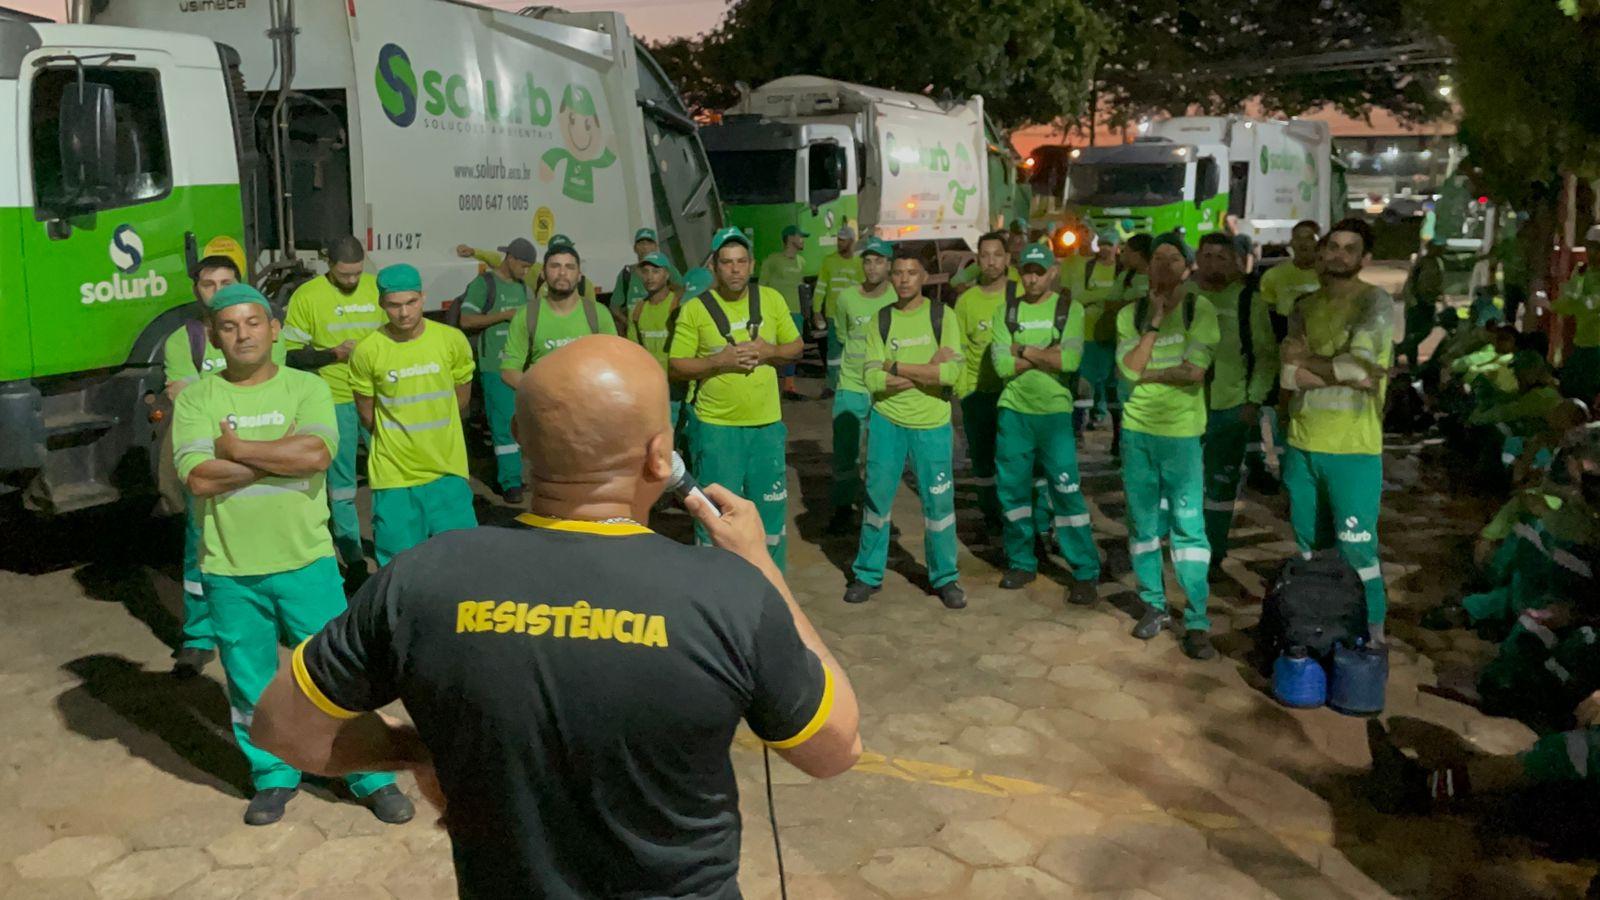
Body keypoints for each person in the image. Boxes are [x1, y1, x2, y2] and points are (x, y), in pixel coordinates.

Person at [250, 335, 860, 897]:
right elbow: (835, 749)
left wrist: (415, 752)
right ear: (659, 457)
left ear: (522, 435)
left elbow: (284, 729)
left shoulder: (421, 577)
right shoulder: (728, 594)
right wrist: (761, 565)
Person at [172, 282, 412, 827]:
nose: (242, 334)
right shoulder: (196, 399)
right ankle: (273, 773)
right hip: (230, 568)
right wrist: (277, 456)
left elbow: (317, 455)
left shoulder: (305, 387)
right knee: (249, 681)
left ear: (274, 329)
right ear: (214, 335)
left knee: (337, 673)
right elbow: (199, 478)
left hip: (306, 561)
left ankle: (367, 773)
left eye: (252, 323)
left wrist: (236, 449)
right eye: (229, 326)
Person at [1279, 219, 1395, 642]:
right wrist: (1340, 371)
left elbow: (1360, 370)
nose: (1338, 255)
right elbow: (1289, 377)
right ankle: (1320, 628)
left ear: (1364, 259)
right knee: (1310, 550)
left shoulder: (1375, 303)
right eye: (1333, 246)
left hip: (1354, 449)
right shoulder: (1303, 307)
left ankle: (1371, 638)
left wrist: (1311, 362)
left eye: (1350, 249)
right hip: (1302, 444)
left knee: (1357, 549)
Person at [669, 227, 803, 570]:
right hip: (717, 429)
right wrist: (719, 361)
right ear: (715, 266)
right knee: (714, 513)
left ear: (751, 264)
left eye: (741, 261)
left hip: (766, 427)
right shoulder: (696, 309)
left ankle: (770, 585)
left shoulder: (771, 299)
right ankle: (716, 584)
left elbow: (796, 346)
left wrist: (770, 350)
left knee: (770, 512)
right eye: (727, 262)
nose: (735, 269)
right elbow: (677, 365)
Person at [161, 254, 266, 679]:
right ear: (197, 290)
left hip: (260, 453)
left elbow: (277, 384)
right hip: (209, 457)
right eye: (209, 283)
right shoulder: (183, 340)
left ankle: (260, 621)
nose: (218, 290)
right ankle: (199, 637)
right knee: (200, 549)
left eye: (228, 281)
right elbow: (185, 400)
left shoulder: (261, 328)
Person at [1116, 233, 1220, 660]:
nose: (1163, 267)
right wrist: (1154, 323)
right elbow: (1127, 371)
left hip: (1181, 434)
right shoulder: (1131, 313)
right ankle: (1153, 605)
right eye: (1156, 260)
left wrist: (1148, 375)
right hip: (1137, 431)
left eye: (1172, 259)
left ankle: (1196, 619)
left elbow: (1194, 372)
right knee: (1142, 525)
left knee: (1188, 527)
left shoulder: (1200, 309)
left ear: (1187, 268)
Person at [845, 250, 966, 609]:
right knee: (876, 501)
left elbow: (951, 375)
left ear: (924, 277)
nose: (903, 279)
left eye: (911, 272)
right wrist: (924, 372)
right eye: (898, 273)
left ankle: (945, 578)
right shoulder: (881, 320)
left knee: (939, 505)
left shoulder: (943, 317)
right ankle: (867, 574)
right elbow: (871, 379)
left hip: (931, 425)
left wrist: (896, 366)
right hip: (887, 423)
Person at [988, 243, 1101, 606]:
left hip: (1054, 414)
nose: (1032, 277)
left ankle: (1084, 571)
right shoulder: (1005, 311)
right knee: (1014, 493)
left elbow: (1070, 360)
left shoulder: (1070, 309)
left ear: (1053, 271)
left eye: (1039, 270)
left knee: (1066, 491)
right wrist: (1044, 354)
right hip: (1014, 413)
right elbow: (1001, 367)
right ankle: (1022, 561)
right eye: (1026, 271)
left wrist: (1022, 350)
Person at [349, 265, 478, 564]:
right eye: (394, 305)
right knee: (399, 568)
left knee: (463, 562)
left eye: (411, 302)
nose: (404, 313)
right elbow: (367, 415)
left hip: (447, 472)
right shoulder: (367, 351)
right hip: (394, 478)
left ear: (423, 297)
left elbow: (462, 398)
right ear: (381, 304)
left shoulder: (451, 340)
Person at [281, 236, 388, 585]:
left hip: (380, 395)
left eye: (357, 273)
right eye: (345, 275)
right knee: (342, 488)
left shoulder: (377, 287)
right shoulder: (307, 297)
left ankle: (392, 552)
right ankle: (354, 560)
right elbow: (290, 355)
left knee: (390, 476)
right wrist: (332, 354)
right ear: (329, 265)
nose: (353, 281)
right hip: (336, 399)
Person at [1191, 233, 1276, 564]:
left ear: (1237, 263)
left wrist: (1252, 402)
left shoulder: (1247, 302)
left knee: (1220, 485)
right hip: (1184, 408)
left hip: (1230, 408)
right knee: (1182, 484)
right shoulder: (1183, 297)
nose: (1213, 263)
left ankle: (1213, 551)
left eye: (1221, 257)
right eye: (1207, 255)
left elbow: (1266, 355)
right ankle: (1184, 546)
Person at [456, 237, 535, 504]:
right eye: (523, 266)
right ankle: (510, 483)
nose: (526, 272)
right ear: (509, 259)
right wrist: (503, 315)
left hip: (520, 366)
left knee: (521, 424)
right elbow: (466, 320)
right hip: (494, 366)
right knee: (503, 427)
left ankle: (517, 476)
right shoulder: (484, 284)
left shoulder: (524, 288)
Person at [825, 237, 895, 534]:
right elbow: (841, 335)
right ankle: (843, 508)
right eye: (867, 260)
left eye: (878, 260)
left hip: (884, 389)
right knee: (846, 453)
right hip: (851, 386)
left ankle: (876, 511)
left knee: (881, 456)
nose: (872, 266)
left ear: (889, 265)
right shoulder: (846, 299)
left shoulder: (897, 298)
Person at [954, 231, 1016, 528]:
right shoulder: (966, 302)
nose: (991, 262)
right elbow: (959, 349)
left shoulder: (1019, 296)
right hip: (978, 394)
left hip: (1015, 394)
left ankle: (1020, 518)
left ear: (1007, 259)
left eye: (997, 255)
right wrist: (965, 391)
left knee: (1015, 459)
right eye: (985, 256)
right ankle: (991, 516)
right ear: (977, 261)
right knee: (982, 460)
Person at [499, 243, 618, 382]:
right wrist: (541, 394)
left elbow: (615, 362)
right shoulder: (526, 315)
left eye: (570, 267)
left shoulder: (598, 314)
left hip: (589, 401)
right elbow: (509, 370)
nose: (562, 272)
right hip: (542, 402)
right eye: (555, 266)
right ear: (543, 273)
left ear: (579, 275)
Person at [1063, 230, 1122, 436]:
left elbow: (1124, 297)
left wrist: (1096, 298)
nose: (1105, 249)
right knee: (1083, 384)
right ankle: (1075, 429)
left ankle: (1115, 434)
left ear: (1117, 248)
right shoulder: (1088, 267)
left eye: (1110, 244)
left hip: (1114, 337)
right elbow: (1078, 295)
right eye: (1103, 244)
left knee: (1111, 386)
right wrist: (1107, 299)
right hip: (1087, 335)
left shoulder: (1122, 270)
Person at [624, 251, 687, 428]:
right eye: (646, 272)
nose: (650, 277)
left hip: (677, 387)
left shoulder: (679, 305)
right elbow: (634, 353)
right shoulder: (638, 310)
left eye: (656, 271)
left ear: (666, 274)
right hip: (651, 389)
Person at [455, 235, 601, 306]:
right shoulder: (533, 269)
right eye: (555, 263)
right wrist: (474, 252)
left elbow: (594, 317)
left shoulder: (583, 285)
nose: (562, 271)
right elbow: (501, 259)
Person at [761, 224, 809, 401]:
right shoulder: (772, 261)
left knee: (794, 350)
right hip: (775, 313)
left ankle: (789, 387)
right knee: (773, 349)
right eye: (800, 236)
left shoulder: (802, 262)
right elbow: (761, 286)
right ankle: (771, 385)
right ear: (790, 239)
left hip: (796, 312)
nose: (802, 240)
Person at [816, 225, 865, 397]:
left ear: (852, 242)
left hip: (853, 316)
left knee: (854, 350)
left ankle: (853, 383)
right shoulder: (828, 261)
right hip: (833, 315)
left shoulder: (859, 264)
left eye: (843, 240)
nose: (839, 243)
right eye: (838, 239)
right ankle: (832, 385)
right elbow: (821, 287)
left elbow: (864, 290)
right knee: (833, 353)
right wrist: (816, 311)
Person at [1555, 229, 1600, 406]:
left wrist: (1551, 305)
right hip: (1582, 343)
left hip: (1597, 346)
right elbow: (1568, 301)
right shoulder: (1582, 271)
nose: (1593, 253)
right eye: (1590, 248)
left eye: (1598, 248)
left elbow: (1588, 304)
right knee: (1571, 390)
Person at [1398, 239, 1446, 369]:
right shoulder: (1422, 262)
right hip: (1417, 302)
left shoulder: (1437, 262)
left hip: (1429, 301)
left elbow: (1438, 282)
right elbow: (1411, 282)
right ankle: (1407, 360)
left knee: (1424, 330)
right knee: (1414, 332)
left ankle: (1400, 350)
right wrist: (1412, 300)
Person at [609, 226, 660, 317]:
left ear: (656, 247)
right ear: (635, 248)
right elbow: (614, 307)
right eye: (641, 243)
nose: (645, 247)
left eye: (649, 243)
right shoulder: (627, 274)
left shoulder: (667, 269)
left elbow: (681, 294)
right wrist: (628, 324)